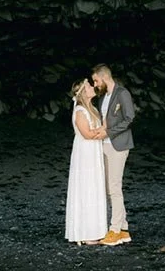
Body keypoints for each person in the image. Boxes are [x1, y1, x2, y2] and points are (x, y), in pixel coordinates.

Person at [91, 63, 135, 246]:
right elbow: (105, 121)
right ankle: (123, 229)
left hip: (118, 146)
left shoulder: (122, 93)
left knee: (114, 188)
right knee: (109, 189)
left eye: (96, 81)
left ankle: (115, 230)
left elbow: (130, 118)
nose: (95, 85)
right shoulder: (103, 97)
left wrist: (109, 133)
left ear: (104, 77)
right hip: (105, 146)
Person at [64, 78, 108, 245]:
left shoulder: (92, 109)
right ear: (82, 92)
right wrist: (105, 130)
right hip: (85, 154)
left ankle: (95, 230)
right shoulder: (80, 111)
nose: (92, 87)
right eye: (89, 86)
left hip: (93, 152)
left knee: (94, 187)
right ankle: (85, 232)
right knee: (86, 188)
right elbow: (87, 134)